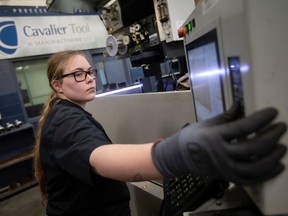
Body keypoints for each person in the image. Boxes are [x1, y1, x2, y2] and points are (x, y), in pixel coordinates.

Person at [33, 50, 287, 216]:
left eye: (90, 72)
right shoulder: (65, 120)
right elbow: (100, 158)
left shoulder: (65, 114)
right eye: (78, 74)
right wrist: (172, 155)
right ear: (57, 85)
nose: (89, 78)